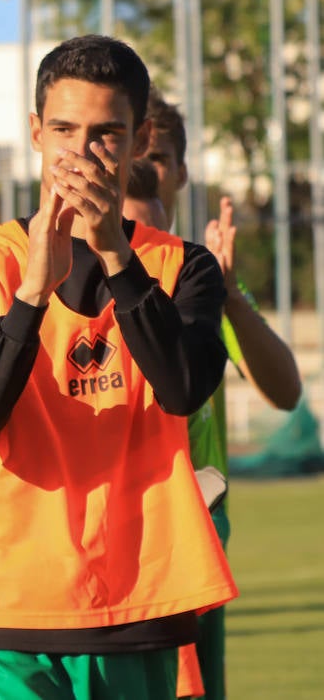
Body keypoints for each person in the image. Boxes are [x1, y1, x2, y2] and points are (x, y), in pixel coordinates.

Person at [0, 34, 236, 700]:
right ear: (36, 132)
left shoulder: (185, 267)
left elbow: (182, 388)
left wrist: (118, 258)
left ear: (139, 137)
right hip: (6, 604)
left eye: (105, 134)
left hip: (139, 600)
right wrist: (31, 294)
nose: (81, 153)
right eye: (64, 129)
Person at [134, 92, 301, 700]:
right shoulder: (77, 271)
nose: (142, 167)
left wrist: (231, 297)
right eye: (132, 151)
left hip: (201, 540)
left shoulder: (200, 274)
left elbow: (284, 391)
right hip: (121, 540)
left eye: (158, 157)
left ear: (180, 172)